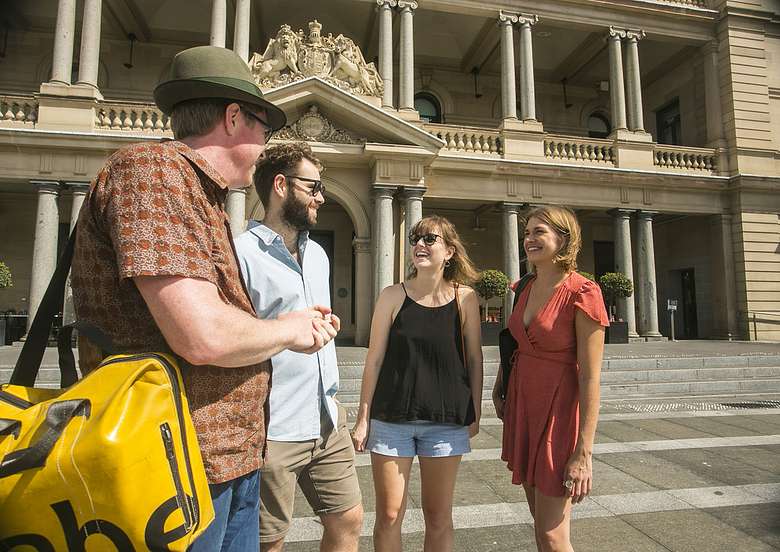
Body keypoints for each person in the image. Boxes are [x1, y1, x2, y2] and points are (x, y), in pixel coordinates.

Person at [71, 46, 340, 551]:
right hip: (175, 465)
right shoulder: (151, 172)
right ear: (234, 117)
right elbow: (202, 335)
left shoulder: (201, 193)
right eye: (264, 127)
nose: (265, 143)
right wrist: (291, 328)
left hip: (225, 457)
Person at [234, 143, 363, 551]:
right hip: (273, 426)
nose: (321, 196)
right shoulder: (242, 255)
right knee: (268, 540)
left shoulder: (319, 255)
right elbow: (233, 336)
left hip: (327, 419)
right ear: (280, 186)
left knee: (349, 519)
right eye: (313, 186)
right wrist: (286, 330)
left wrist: (322, 326)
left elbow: (309, 321)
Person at [351, 215, 483, 552]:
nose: (419, 245)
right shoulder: (392, 296)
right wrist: (363, 418)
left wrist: (475, 412)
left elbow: (474, 360)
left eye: (430, 239)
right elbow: (375, 359)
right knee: (390, 515)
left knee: (438, 516)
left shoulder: (465, 298)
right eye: (415, 239)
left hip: (445, 421)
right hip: (391, 419)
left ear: (450, 251)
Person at [492, 206, 608, 552]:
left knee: (552, 534)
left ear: (564, 238)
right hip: (523, 405)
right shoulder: (524, 286)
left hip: (558, 414)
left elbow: (590, 378)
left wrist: (583, 452)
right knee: (541, 527)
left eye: (539, 232)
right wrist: (500, 387)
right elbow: (514, 342)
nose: (529, 238)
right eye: (527, 232)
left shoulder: (582, 292)